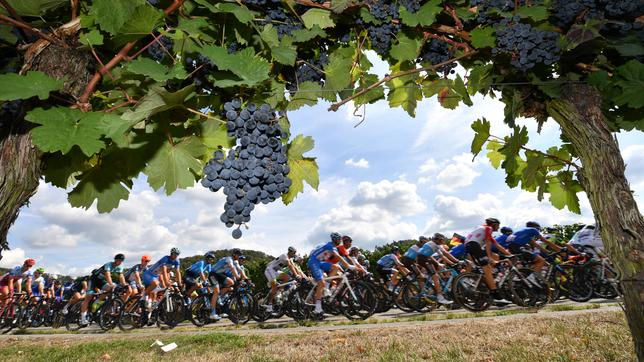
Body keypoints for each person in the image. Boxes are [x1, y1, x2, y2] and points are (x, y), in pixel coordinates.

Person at [464, 218, 512, 304]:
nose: (498, 227)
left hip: (470, 246)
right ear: (493, 225)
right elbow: (487, 243)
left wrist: (509, 254)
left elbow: (496, 245)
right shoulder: (488, 228)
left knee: (495, 256)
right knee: (487, 268)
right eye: (498, 225)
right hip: (474, 245)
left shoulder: (483, 229)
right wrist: (489, 257)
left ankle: (486, 282)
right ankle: (495, 294)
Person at [307, 232, 352, 316]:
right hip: (314, 262)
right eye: (339, 240)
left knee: (336, 267)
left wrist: (344, 269)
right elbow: (338, 256)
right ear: (335, 239)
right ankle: (317, 308)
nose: (340, 241)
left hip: (320, 262)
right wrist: (349, 266)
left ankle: (327, 287)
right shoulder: (330, 246)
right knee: (321, 283)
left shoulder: (333, 246)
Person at [507, 221, 576, 273]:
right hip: (517, 247)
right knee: (541, 261)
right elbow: (546, 241)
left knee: (532, 263)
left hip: (511, 248)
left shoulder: (525, 234)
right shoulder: (533, 230)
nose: (538, 231)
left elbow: (536, 246)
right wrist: (560, 249)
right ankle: (533, 278)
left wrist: (547, 251)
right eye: (538, 229)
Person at [81, 254, 127, 326]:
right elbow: (107, 275)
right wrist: (111, 284)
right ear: (115, 260)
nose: (120, 262)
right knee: (88, 297)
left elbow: (121, 276)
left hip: (102, 282)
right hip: (94, 280)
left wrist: (124, 284)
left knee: (110, 289)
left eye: (122, 261)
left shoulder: (120, 267)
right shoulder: (108, 265)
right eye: (119, 260)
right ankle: (83, 318)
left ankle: (97, 302)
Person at [143, 248, 182, 312]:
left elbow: (178, 272)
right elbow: (164, 270)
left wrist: (179, 283)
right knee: (156, 283)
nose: (175, 256)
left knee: (159, 291)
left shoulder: (177, 261)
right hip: (148, 274)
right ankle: (143, 296)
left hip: (156, 276)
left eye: (177, 255)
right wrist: (167, 282)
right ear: (171, 254)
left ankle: (151, 308)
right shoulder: (165, 258)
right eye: (174, 254)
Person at [417, 236, 453, 305]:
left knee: (438, 271)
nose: (442, 242)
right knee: (435, 275)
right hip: (423, 259)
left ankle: (435, 286)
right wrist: (455, 262)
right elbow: (444, 255)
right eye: (441, 240)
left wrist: (438, 263)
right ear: (437, 240)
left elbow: (430, 256)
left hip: (423, 258)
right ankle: (440, 296)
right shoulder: (436, 245)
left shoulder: (431, 244)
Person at [185, 251, 219, 320]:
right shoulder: (202, 262)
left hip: (194, 278)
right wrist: (205, 282)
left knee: (204, 289)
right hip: (188, 275)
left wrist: (212, 283)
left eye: (212, 259)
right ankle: (186, 294)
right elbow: (201, 273)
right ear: (207, 258)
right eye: (210, 258)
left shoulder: (209, 265)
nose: (212, 260)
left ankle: (196, 307)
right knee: (199, 285)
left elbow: (209, 275)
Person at [264, 247, 299, 313]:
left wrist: (298, 275)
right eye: (294, 253)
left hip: (276, 271)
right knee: (275, 286)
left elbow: (294, 267)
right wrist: (296, 275)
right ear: (290, 252)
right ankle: (269, 306)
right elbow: (290, 266)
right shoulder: (284, 255)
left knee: (287, 278)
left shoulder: (290, 259)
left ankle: (279, 292)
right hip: (270, 270)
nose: (294, 254)